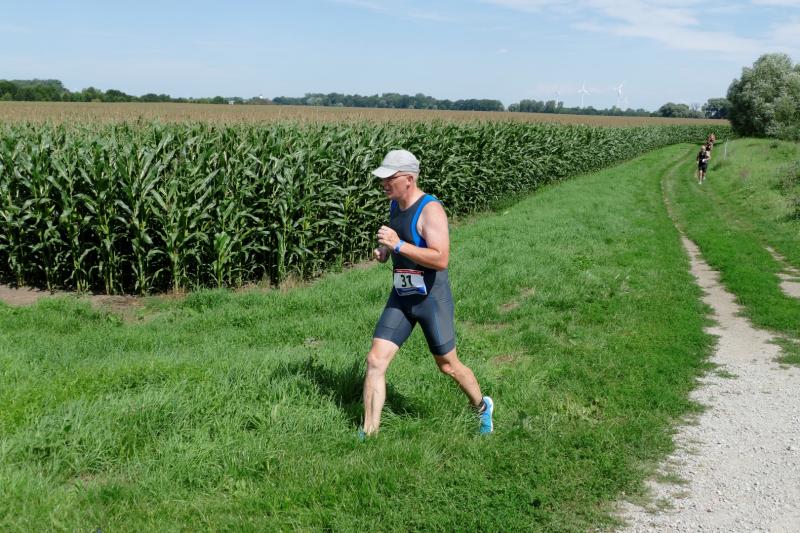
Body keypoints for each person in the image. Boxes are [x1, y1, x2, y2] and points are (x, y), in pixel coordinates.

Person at [361, 149, 494, 437]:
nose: (383, 183)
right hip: (402, 296)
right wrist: (386, 250)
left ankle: (482, 407)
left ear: (409, 179)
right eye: (382, 178)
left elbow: (440, 258)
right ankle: (368, 433)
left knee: (448, 366)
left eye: (390, 178)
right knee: (375, 360)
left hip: (431, 298)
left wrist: (398, 246)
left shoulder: (431, 209)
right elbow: (401, 238)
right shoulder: (395, 204)